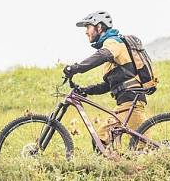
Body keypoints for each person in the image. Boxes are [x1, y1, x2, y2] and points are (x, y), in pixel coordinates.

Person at [62, 11, 147, 151]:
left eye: (88, 27)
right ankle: (114, 168)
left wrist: (76, 68)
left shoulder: (113, 42)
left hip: (131, 101)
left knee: (145, 149)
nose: (86, 32)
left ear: (99, 27)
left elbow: (103, 54)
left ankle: (168, 157)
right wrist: (86, 89)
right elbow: (109, 85)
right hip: (125, 103)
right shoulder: (111, 51)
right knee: (101, 140)